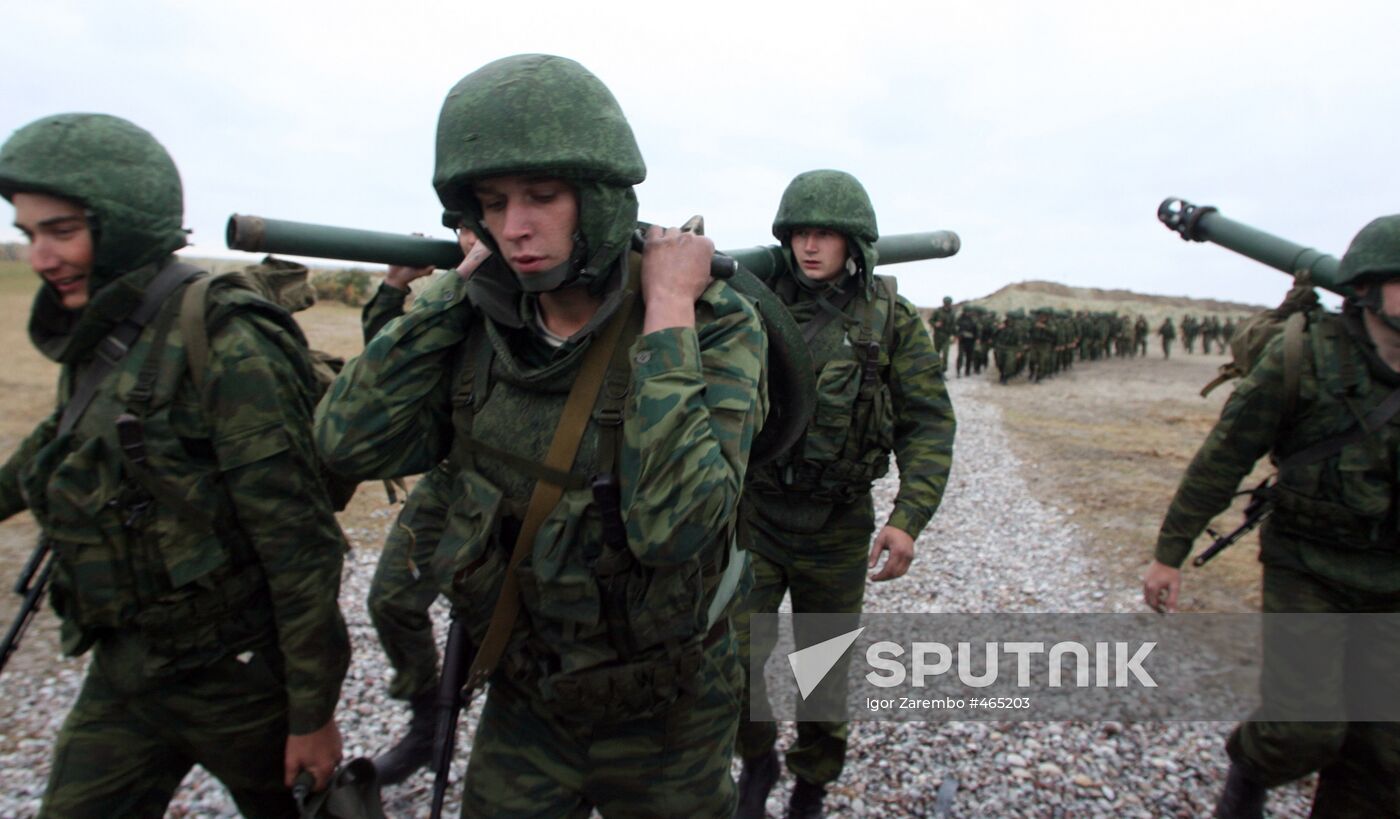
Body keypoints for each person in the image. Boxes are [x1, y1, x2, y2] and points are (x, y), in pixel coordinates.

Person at [314, 54, 767, 817]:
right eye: (492, 203)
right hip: (527, 694)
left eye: (543, 196)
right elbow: (345, 443)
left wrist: (666, 314)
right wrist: (449, 294)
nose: (515, 227)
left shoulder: (712, 323)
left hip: (668, 709)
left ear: (595, 197)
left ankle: (785, 769)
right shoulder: (478, 322)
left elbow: (676, 526)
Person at [0, 113, 349, 816]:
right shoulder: (105, 328)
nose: (39, 256)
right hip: (128, 668)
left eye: (60, 231)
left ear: (124, 219)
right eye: (28, 232)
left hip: (237, 678)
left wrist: (311, 714)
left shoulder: (227, 339)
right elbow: (63, 438)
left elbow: (298, 541)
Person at [1143, 215, 1400, 818]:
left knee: (1384, 756)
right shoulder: (1301, 359)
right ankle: (1249, 777)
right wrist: (1169, 555)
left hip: (1394, 579)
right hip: (1309, 567)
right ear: (1365, 290)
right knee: (1302, 729)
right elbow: (1222, 460)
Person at [732, 170, 955, 819]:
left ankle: (813, 777)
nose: (810, 245)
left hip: (836, 523)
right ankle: (756, 755)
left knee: (822, 664)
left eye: (825, 232)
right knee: (733, 653)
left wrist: (908, 517)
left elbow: (929, 420)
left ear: (853, 240)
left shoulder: (890, 318)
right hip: (758, 513)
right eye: (800, 231)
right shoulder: (752, 305)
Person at [358, 225, 477, 786]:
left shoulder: (760, 311)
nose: (795, 246)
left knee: (781, 648)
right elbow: (388, 375)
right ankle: (767, 761)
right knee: (392, 600)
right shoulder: (468, 288)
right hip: (463, 473)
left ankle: (784, 759)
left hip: (786, 529)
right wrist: (395, 292)